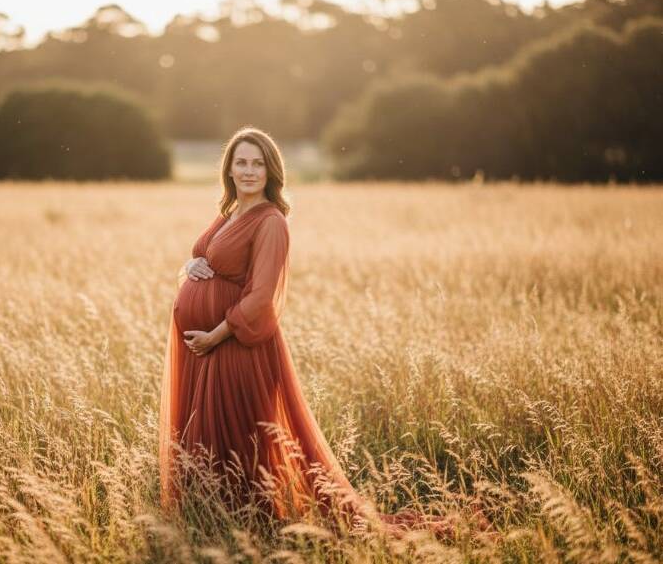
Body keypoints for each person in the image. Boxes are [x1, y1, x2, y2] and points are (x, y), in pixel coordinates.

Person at [158, 126, 476, 539]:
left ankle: (247, 531)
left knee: (238, 442)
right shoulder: (229, 213)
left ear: (271, 171)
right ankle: (209, 522)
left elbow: (261, 298)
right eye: (242, 163)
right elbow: (207, 261)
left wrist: (214, 336)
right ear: (229, 170)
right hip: (205, 349)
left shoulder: (271, 222)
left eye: (258, 163)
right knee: (207, 440)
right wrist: (189, 266)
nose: (249, 171)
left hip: (235, 347)